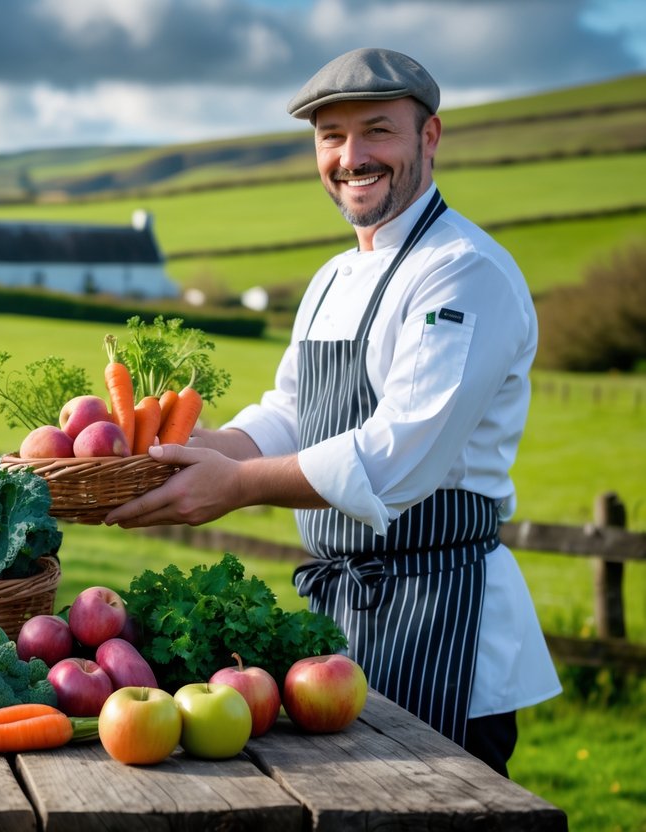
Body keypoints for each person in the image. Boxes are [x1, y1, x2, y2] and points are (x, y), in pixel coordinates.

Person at [104, 47, 561, 776]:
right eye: (331, 137)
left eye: (377, 131)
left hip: (439, 612)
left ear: (429, 136)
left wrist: (236, 486)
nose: (351, 156)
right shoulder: (331, 277)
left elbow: (397, 453)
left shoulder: (462, 272)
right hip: (337, 620)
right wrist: (175, 449)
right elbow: (292, 409)